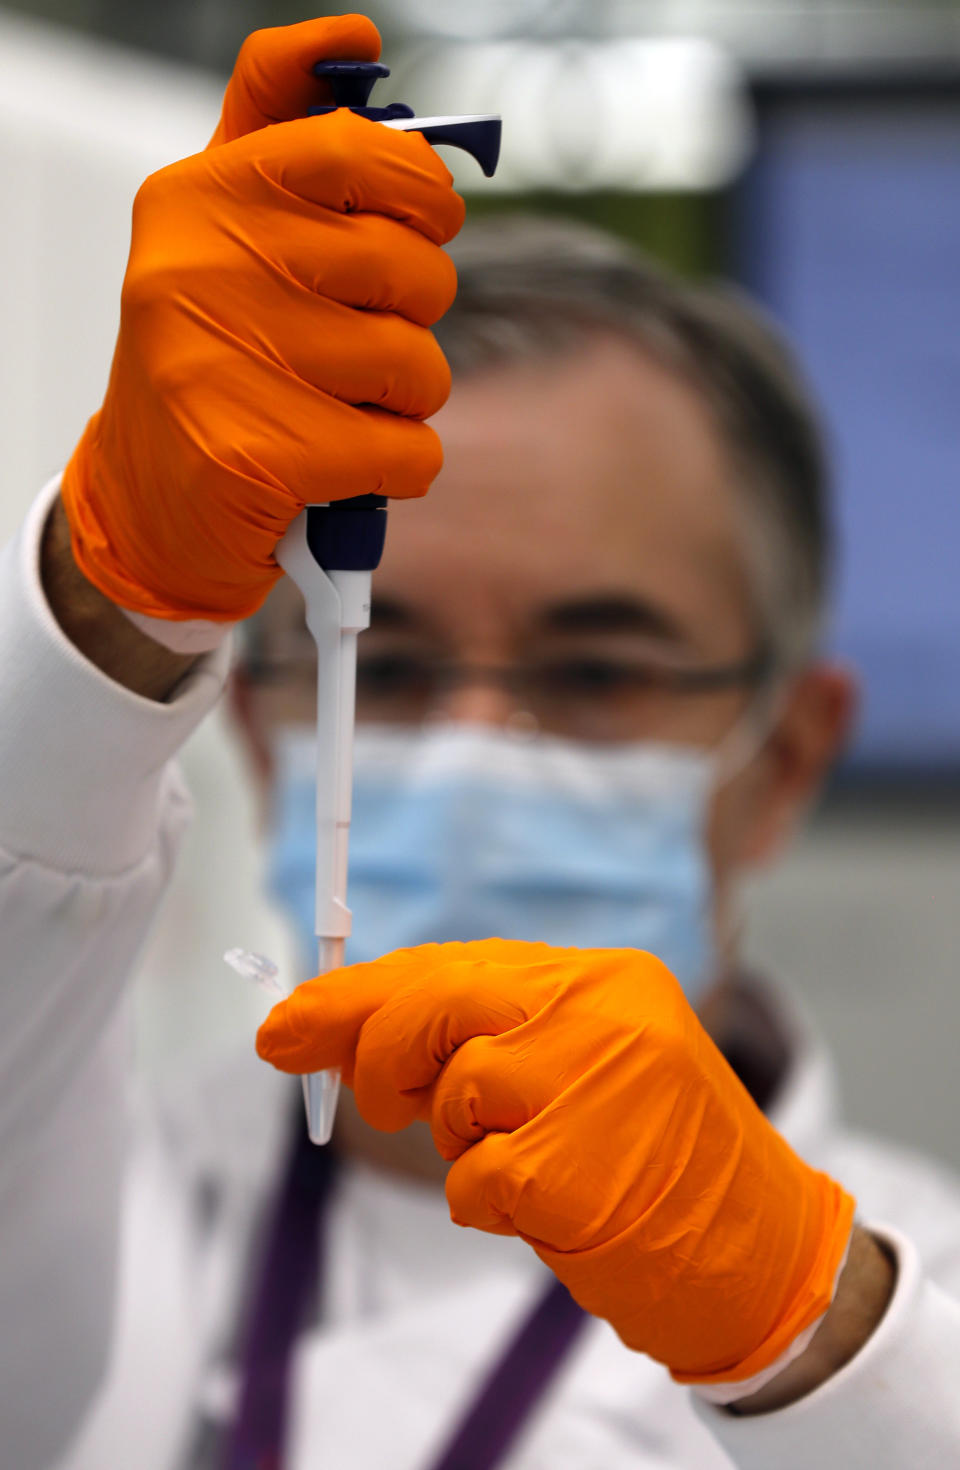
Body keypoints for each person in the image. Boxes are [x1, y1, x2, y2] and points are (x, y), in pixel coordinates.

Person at [2, 14, 960, 1470]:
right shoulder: (84, 1180)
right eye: (383, 667)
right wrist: (108, 601)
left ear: (784, 761)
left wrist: (816, 1344)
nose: (472, 747)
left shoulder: (915, 1303)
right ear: (264, 731)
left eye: (593, 669)